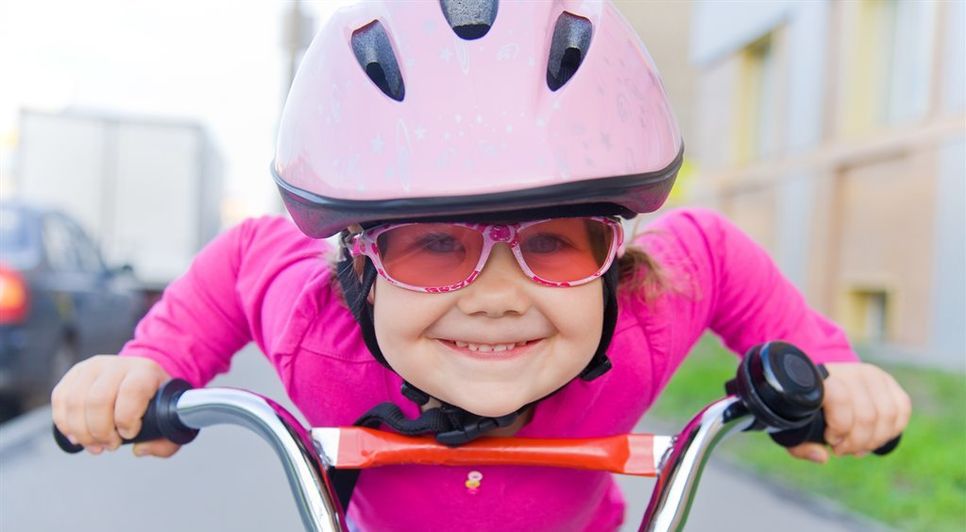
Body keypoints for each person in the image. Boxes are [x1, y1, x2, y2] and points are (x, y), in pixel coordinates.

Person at [51, 2, 910, 530]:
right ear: (360, 263)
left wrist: (830, 371)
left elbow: (715, 252)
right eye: (434, 244)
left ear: (618, 260)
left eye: (551, 242)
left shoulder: (647, 317)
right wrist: (149, 368)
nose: (500, 297)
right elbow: (246, 255)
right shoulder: (317, 333)